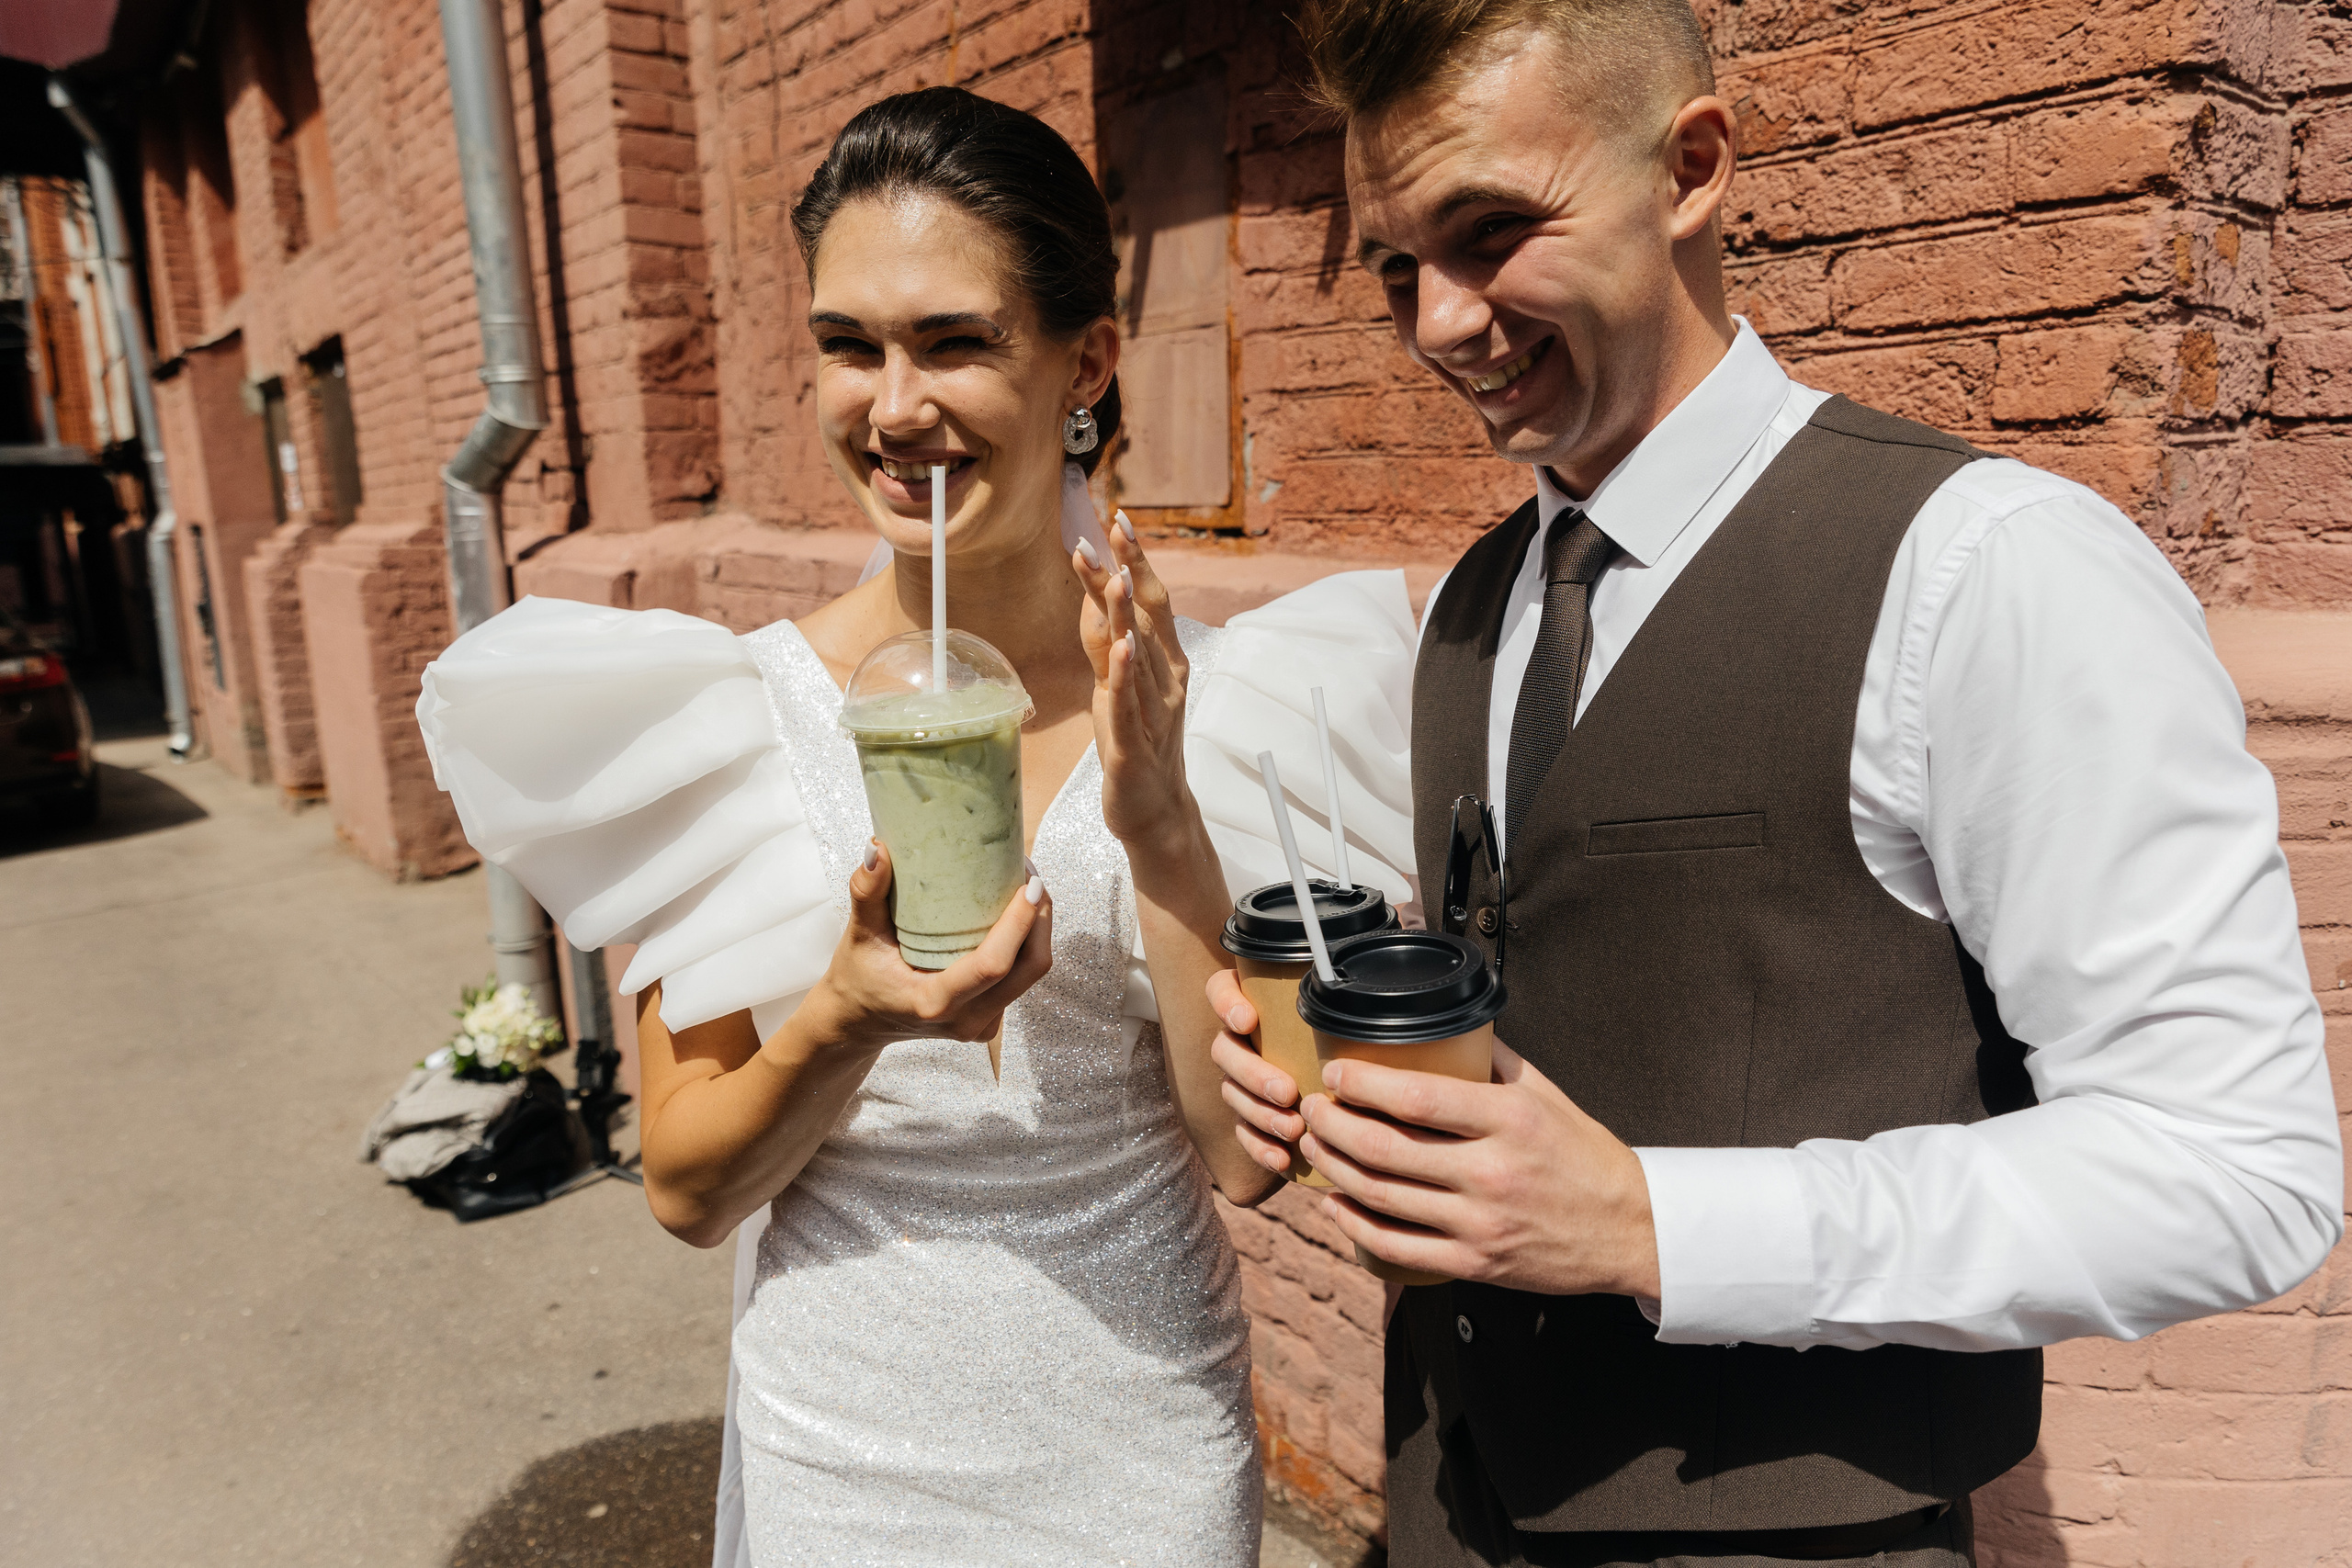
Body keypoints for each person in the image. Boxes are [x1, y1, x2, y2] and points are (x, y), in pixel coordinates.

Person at [1209, 4, 2345, 1565]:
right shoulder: (1480, 600)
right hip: (1443, 1509)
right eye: (1401, 264)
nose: (1440, 323)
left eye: (1489, 233)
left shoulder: (1991, 568)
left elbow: (2236, 1173)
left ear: (1692, 167)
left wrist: (1648, 1223)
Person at [417, 88, 1422, 1568]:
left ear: (1085, 362)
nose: (892, 409)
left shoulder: (1228, 701)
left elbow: (1245, 1159)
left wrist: (1160, 827)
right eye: (849, 346)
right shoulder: (732, 718)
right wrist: (845, 1017)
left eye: (955, 342)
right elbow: (690, 1189)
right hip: (847, 1455)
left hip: (1141, 1438)